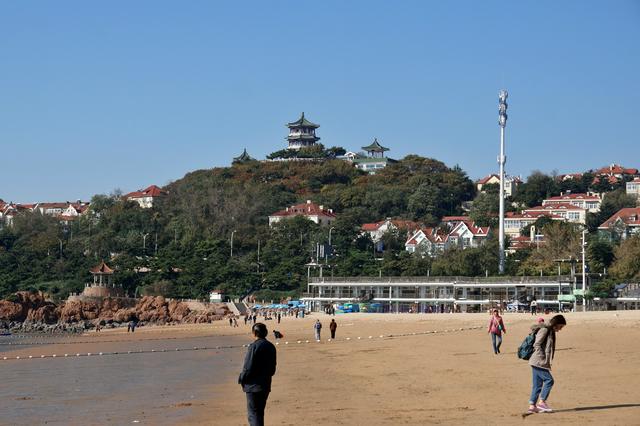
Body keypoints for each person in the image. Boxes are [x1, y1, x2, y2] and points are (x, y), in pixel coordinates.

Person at [527, 314, 567, 414]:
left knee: (537, 385)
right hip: (538, 361)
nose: (560, 329)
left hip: (537, 362)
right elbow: (537, 344)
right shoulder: (545, 330)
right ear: (556, 324)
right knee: (549, 380)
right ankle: (542, 402)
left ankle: (532, 406)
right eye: (560, 327)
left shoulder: (550, 330)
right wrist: (542, 359)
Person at [239, 323, 277, 426]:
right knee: (259, 413)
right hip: (265, 385)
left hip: (253, 386)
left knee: (253, 414)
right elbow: (273, 369)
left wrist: (241, 378)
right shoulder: (271, 346)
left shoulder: (254, 346)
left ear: (254, 333)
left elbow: (248, 367)